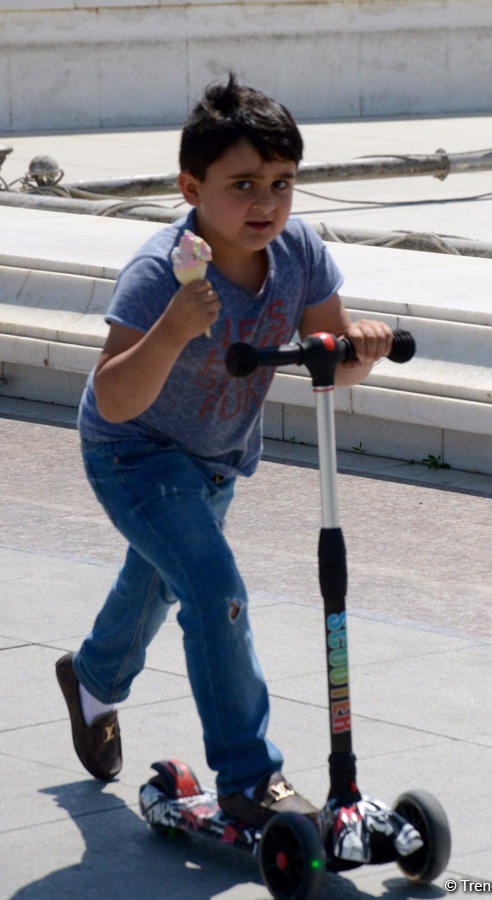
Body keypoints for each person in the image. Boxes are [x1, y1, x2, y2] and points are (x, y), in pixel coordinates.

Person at [56, 74, 392, 828]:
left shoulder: (299, 251)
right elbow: (112, 396)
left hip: (214, 456)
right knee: (216, 594)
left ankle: (92, 681)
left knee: (161, 581)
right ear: (190, 186)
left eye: (282, 183)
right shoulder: (163, 271)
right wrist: (174, 328)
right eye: (242, 184)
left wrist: (358, 347)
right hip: (132, 453)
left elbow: (328, 354)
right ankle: (250, 779)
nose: (266, 203)